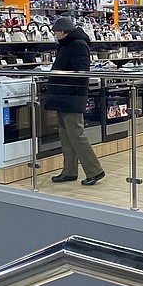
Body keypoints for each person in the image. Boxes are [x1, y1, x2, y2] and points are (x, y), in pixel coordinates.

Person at [45, 18, 105, 186]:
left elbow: (81, 72)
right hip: (63, 96)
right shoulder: (66, 45)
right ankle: (69, 171)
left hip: (71, 95)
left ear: (62, 31)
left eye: (55, 32)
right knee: (66, 135)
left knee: (77, 135)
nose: (55, 35)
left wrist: (64, 84)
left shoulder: (77, 45)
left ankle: (95, 171)